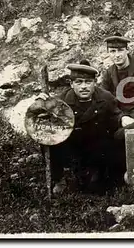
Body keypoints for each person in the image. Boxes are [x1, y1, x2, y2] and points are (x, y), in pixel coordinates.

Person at [38, 61, 125, 195]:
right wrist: (40, 106)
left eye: (88, 82)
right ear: (71, 84)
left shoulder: (106, 98)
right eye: (79, 82)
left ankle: (110, 175)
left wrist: (124, 119)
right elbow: (42, 125)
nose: (83, 86)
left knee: (95, 188)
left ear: (95, 83)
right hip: (74, 149)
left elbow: (116, 116)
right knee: (49, 140)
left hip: (98, 150)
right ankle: (59, 178)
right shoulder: (62, 102)